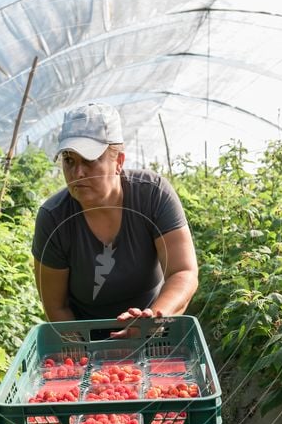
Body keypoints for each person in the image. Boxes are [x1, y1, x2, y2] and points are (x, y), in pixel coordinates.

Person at [31, 102, 198, 336]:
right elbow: (56, 307)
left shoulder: (152, 195)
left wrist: (152, 320)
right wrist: (87, 355)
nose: (77, 173)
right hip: (87, 337)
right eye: (69, 160)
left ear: (118, 161)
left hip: (154, 329)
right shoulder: (53, 219)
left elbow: (183, 272)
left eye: (89, 160)